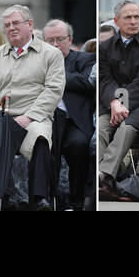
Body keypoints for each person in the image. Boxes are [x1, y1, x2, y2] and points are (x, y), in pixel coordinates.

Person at [0, 4, 65, 211]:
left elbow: (53, 91)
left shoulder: (51, 54)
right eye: (7, 25)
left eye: (15, 23)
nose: (10, 28)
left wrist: (29, 117)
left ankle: (39, 198)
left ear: (30, 24)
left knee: (40, 140)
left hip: (33, 116)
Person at [97, 0, 139, 202]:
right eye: (128, 17)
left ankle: (103, 176)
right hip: (111, 104)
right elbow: (104, 79)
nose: (134, 21)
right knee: (100, 127)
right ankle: (101, 179)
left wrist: (121, 103)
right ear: (117, 21)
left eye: (137, 17)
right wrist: (114, 103)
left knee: (126, 129)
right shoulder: (106, 46)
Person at [43, 19, 95, 210]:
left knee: (79, 146)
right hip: (45, 120)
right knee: (42, 148)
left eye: (60, 39)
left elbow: (88, 82)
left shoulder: (85, 59)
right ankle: (45, 200)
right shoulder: (37, 62)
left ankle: (76, 201)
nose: (55, 44)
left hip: (73, 122)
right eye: (50, 40)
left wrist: (55, 76)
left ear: (70, 39)